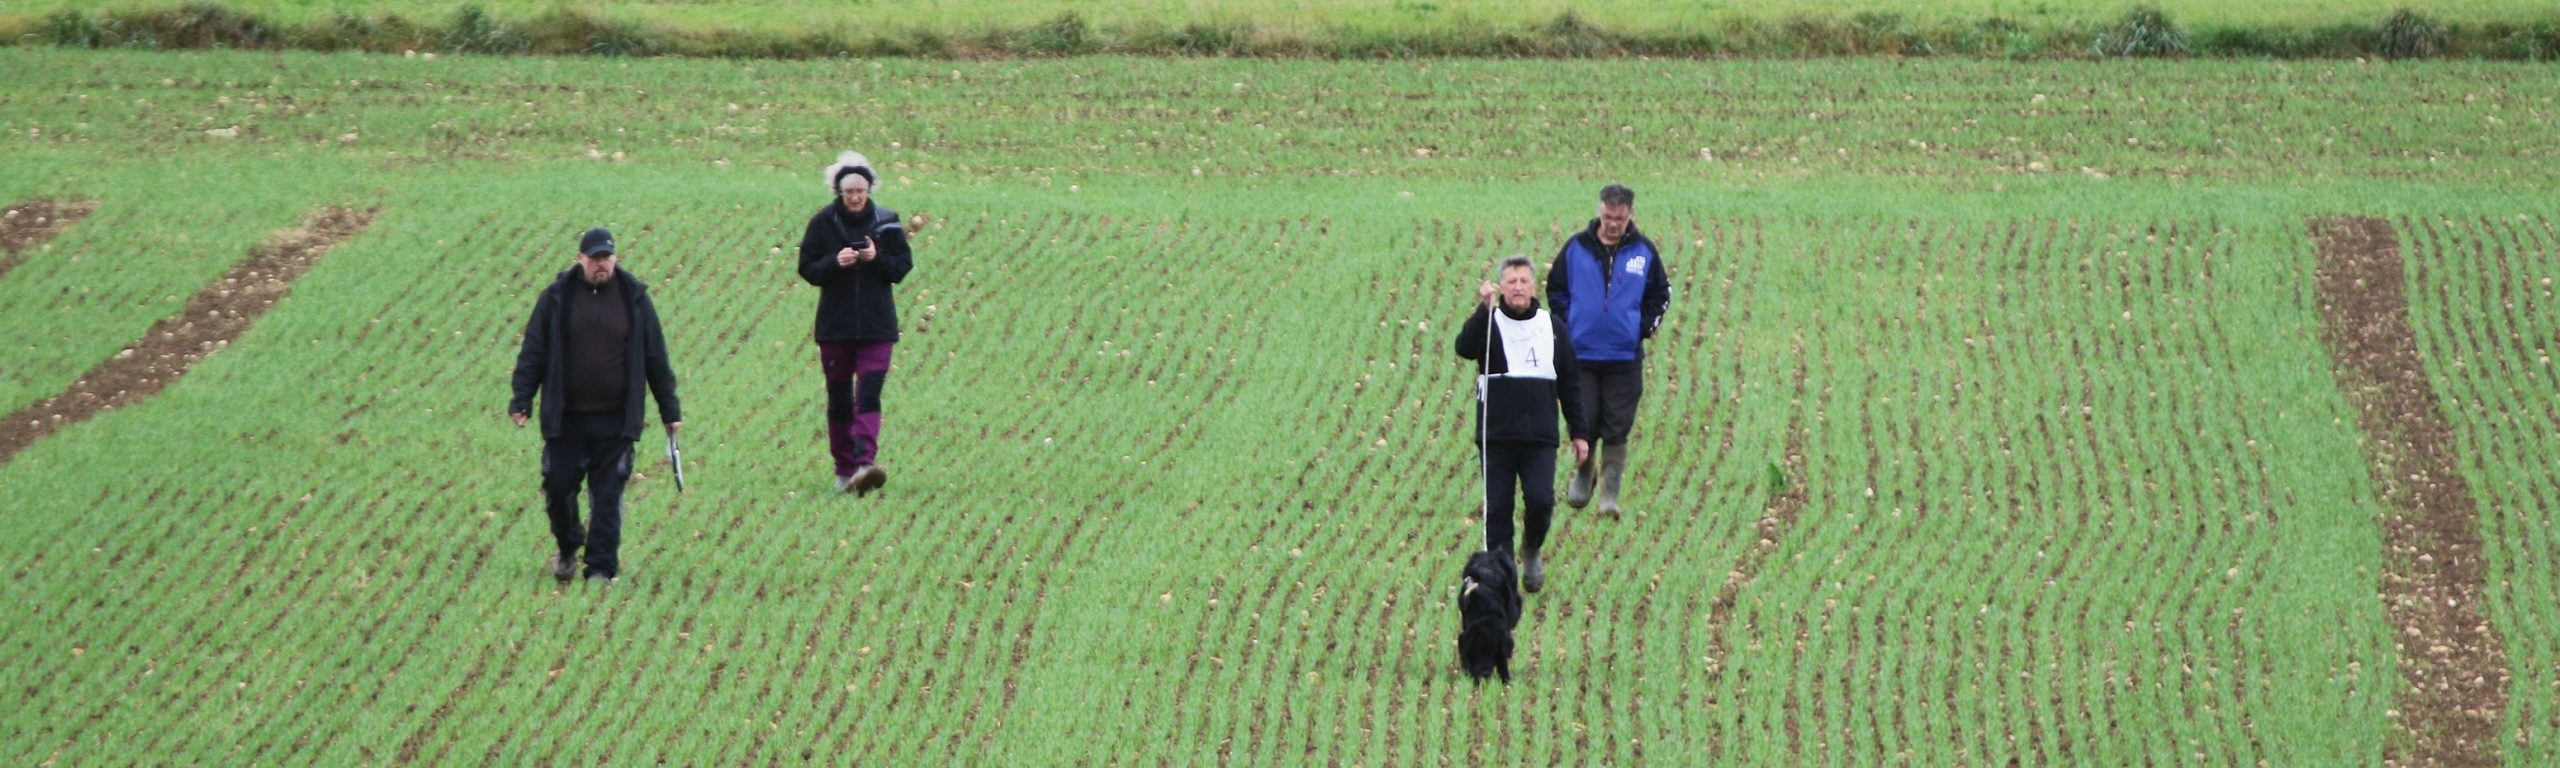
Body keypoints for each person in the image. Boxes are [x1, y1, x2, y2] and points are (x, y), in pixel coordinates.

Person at [509, 227, 682, 586]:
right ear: (580, 259)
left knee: (607, 495)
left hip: (616, 420)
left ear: (615, 258)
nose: (602, 265)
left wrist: (670, 410)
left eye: (607, 258)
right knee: (558, 488)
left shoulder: (634, 298)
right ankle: (570, 543)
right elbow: (534, 352)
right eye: (595, 259)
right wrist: (521, 398)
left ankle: (601, 567)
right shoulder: (556, 298)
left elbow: (655, 356)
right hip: (566, 419)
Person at [1457, 256, 1591, 593]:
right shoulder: (1489, 323)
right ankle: (1502, 581)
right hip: (1496, 436)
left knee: (1541, 501)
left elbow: (1570, 382)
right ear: (1501, 286)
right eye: (1511, 281)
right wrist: (1482, 309)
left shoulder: (1552, 327)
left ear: (1534, 286)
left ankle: (1532, 548)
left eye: (1523, 281)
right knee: (1498, 508)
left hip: (1540, 437)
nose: (1517, 287)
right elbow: (1465, 348)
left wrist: (1579, 432)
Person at [1544, 183, 1670, 518]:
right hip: (1581, 355)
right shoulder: (1576, 248)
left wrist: (1642, 328)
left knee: (1618, 423)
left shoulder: (1644, 253)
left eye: (1619, 217)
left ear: (1630, 215)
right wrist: (1568, 324)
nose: (1613, 223)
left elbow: (1660, 294)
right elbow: (1555, 289)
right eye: (1608, 216)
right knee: (1584, 420)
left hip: (1623, 356)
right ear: (1600, 211)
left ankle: (1609, 495)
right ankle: (1585, 472)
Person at [797, 151, 913, 495]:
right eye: (849, 191)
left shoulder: (887, 223)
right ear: (838, 191)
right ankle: (844, 471)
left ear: (869, 189)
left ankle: (865, 463)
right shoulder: (821, 224)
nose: (855, 196)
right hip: (835, 328)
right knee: (839, 400)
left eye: (860, 190)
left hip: (877, 327)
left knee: (870, 394)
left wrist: (876, 259)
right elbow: (808, 268)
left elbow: (901, 268)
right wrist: (835, 261)